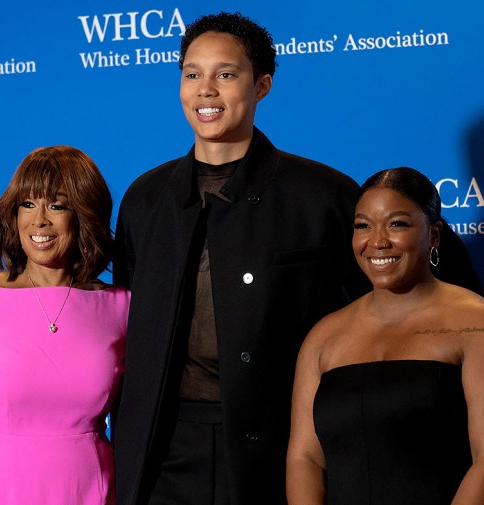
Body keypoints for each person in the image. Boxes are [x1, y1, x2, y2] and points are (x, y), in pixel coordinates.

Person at [112, 11, 368, 505]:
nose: (205, 90)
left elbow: (369, 327)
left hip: (282, 448)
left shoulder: (325, 196)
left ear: (262, 85)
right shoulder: (145, 199)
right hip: (162, 450)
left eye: (225, 74)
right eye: (192, 74)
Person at [286, 167, 484, 505]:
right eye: (363, 226)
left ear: (434, 236)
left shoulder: (482, 325)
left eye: (397, 224)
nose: (377, 241)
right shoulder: (324, 336)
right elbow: (305, 459)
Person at [0, 146, 128, 505]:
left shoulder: (120, 306)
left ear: (84, 214)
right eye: (28, 205)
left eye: (57, 205)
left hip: (93, 493)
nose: (39, 221)